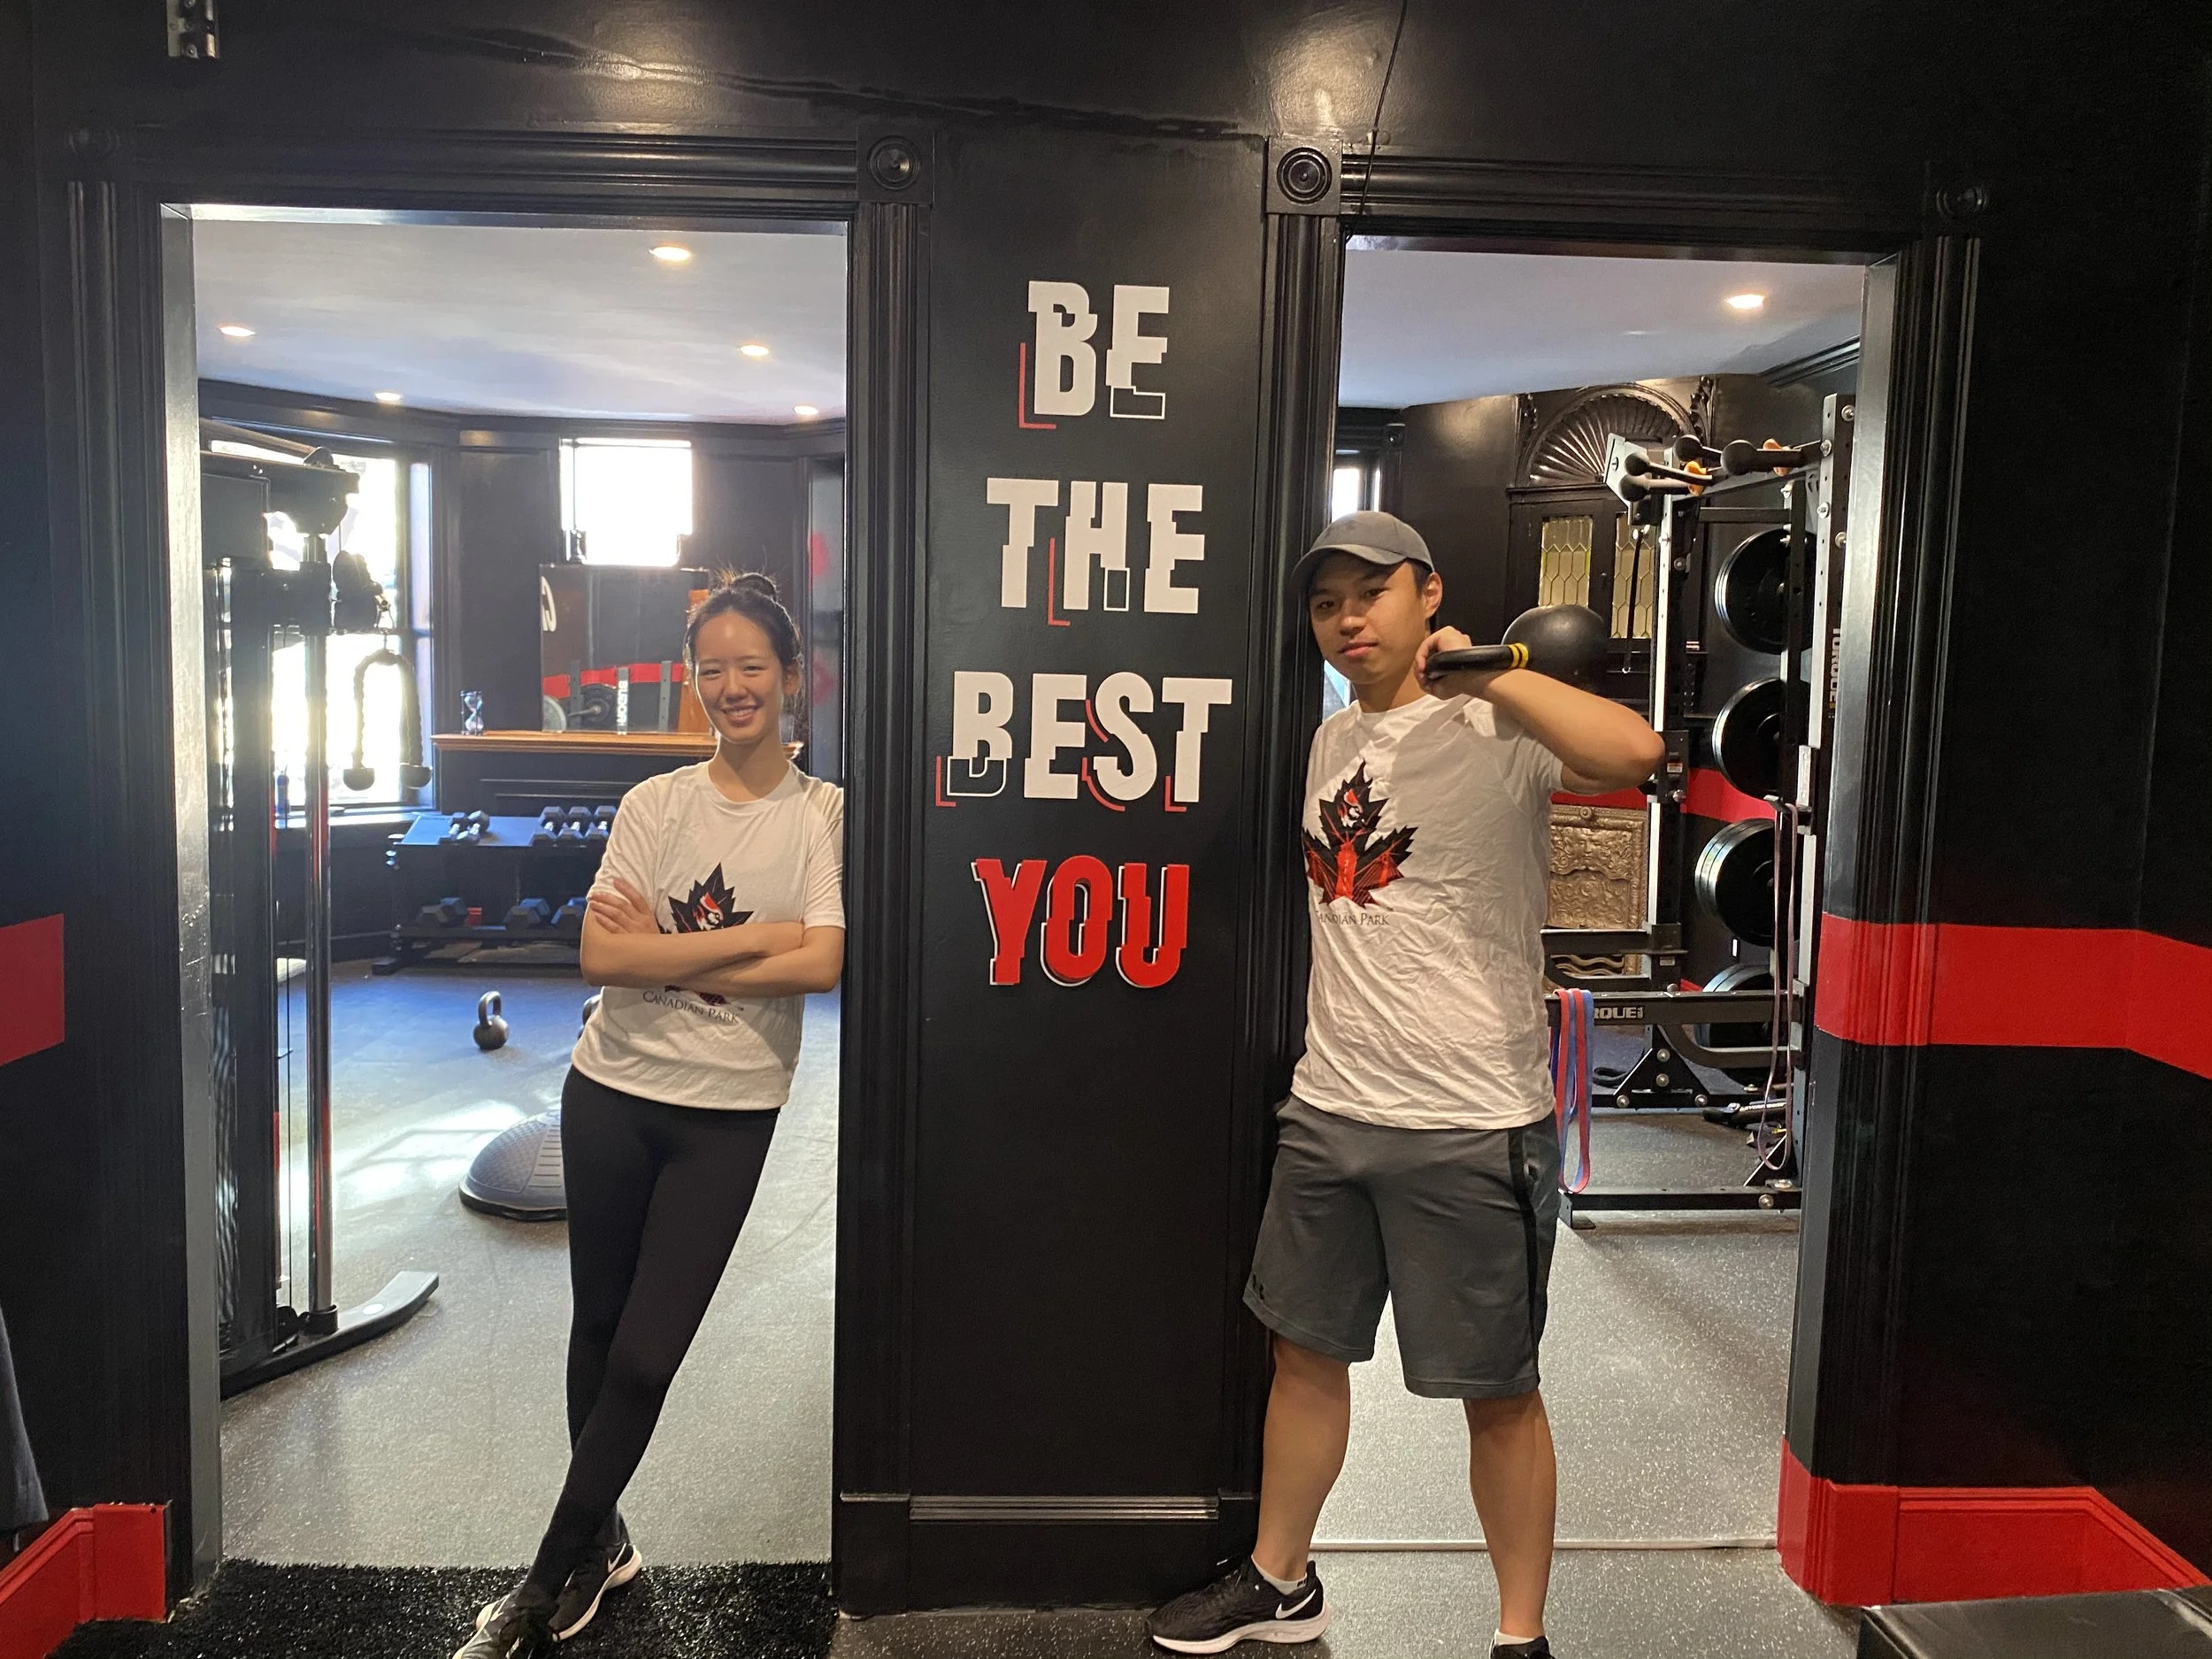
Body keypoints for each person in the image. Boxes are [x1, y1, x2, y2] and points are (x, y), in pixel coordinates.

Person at [1147, 512, 1664, 1659]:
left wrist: (1501, 668)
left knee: (1500, 1391)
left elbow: (1634, 753)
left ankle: (1520, 1633)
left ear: (1427, 593)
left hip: (1474, 1119)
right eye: (1328, 601)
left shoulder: (1498, 721)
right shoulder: (1331, 743)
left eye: (1370, 591)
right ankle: (1282, 1581)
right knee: (1301, 1353)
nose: (1347, 617)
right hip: (1333, 1107)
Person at [460, 572, 845, 1659]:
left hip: (726, 1110)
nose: (732, 688)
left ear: (789, 681)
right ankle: (602, 1545)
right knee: (595, 1325)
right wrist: (748, 942)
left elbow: (821, 962)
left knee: (644, 1357)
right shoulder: (653, 806)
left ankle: (544, 1575)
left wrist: (669, 952)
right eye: (711, 670)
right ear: (694, 683)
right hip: (611, 1089)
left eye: (751, 669)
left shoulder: (822, 816)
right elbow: (598, 955)